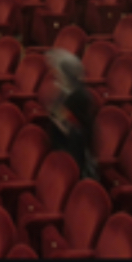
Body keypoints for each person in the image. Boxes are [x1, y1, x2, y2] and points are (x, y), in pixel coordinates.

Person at [40, 48, 97, 179]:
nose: (56, 76)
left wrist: (58, 114)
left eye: (58, 73)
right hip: (61, 145)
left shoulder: (79, 97)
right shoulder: (64, 91)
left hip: (74, 152)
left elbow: (75, 127)